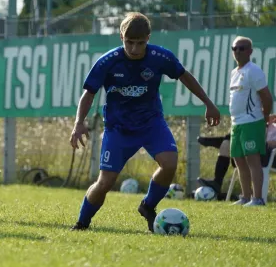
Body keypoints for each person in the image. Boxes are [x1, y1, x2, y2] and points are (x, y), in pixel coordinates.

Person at [69, 12, 220, 232]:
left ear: (148, 38)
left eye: (140, 43)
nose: (134, 49)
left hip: (151, 124)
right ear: (122, 37)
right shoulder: (108, 62)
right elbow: (88, 93)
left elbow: (184, 75)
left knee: (170, 163)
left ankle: (148, 206)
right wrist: (78, 123)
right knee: (105, 182)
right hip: (118, 129)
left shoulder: (160, 57)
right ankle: (82, 223)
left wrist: (208, 102)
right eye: (129, 42)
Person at [226, 36, 273, 206]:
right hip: (236, 123)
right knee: (239, 159)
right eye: (235, 48)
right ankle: (245, 197)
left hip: (252, 122)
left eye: (242, 48)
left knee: (252, 159)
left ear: (250, 51)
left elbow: (267, 97)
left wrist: (264, 117)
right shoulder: (234, 72)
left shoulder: (253, 70)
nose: (237, 51)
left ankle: (258, 198)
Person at [197, 115, 276, 198]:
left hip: (270, 157)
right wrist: (266, 124)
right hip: (254, 152)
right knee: (226, 144)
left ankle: (215, 141)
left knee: (237, 139)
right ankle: (217, 182)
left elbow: (270, 143)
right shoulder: (270, 125)